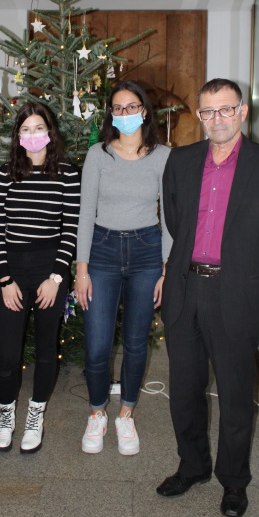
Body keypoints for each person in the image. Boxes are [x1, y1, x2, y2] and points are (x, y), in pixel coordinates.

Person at [157, 78, 259, 517]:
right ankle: (193, 466)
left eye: (225, 109)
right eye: (208, 111)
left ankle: (234, 481)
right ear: (199, 117)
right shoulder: (180, 162)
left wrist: (248, 268)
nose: (216, 119)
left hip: (237, 291)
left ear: (242, 112)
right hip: (185, 287)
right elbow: (176, 221)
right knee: (184, 388)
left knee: (237, 392)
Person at [76, 80, 171, 456]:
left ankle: (126, 414)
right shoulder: (98, 155)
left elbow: (170, 217)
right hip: (102, 250)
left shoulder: (164, 156)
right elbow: (85, 214)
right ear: (110, 114)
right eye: (118, 108)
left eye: (133, 107)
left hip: (147, 250)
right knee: (97, 343)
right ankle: (98, 412)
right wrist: (81, 270)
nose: (126, 114)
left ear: (144, 111)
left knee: (135, 342)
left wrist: (164, 265)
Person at [0, 102, 80, 453]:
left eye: (38, 128)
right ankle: (6, 415)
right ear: (17, 136)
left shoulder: (68, 174)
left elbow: (70, 229)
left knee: (46, 350)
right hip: (12, 270)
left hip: (49, 270)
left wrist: (56, 277)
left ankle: (35, 416)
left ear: (50, 131)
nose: (32, 135)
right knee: (8, 355)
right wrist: (4, 279)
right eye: (25, 130)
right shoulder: (4, 174)